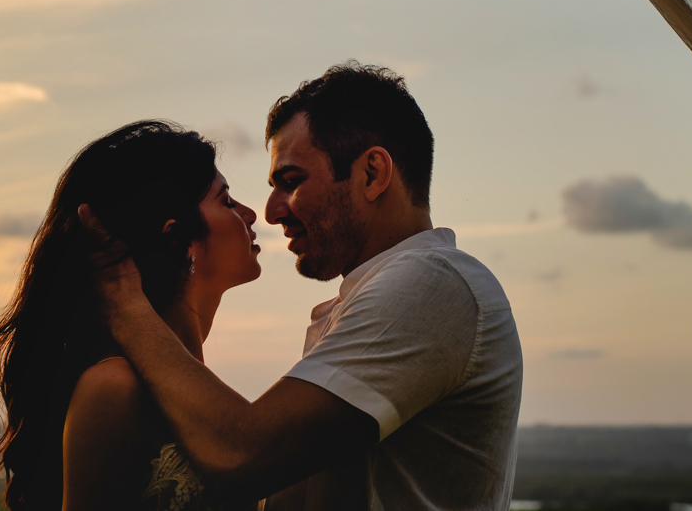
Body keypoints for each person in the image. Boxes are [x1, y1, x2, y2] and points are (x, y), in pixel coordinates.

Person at [85, 63, 524, 511]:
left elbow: (240, 454)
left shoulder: (433, 285)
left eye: (291, 182)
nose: (271, 212)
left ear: (372, 173)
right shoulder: (374, 298)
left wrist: (126, 307)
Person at [0, 120, 264, 511]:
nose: (251, 214)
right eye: (227, 201)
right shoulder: (115, 386)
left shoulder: (196, 387)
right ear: (178, 239)